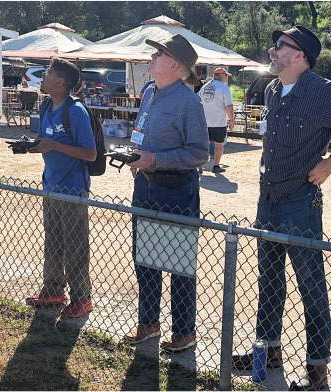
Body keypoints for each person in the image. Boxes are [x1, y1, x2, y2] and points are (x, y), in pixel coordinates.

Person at [232, 26, 331, 390]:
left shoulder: (321, 92)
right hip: (268, 198)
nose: (272, 50)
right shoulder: (271, 89)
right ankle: (268, 353)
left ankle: (316, 371)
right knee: (269, 281)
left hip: (300, 200)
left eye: (280, 46)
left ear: (300, 56)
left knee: (310, 284)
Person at [123, 34, 208, 352]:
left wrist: (156, 159)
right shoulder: (149, 94)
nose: (151, 58)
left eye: (158, 54)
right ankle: (149, 323)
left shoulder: (189, 102)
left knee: (177, 265)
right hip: (145, 185)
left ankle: (184, 331)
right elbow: (143, 133)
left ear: (174, 64)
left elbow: (200, 153)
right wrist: (137, 155)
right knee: (144, 260)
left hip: (175, 190)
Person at [26, 58, 97, 318]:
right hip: (51, 185)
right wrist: (32, 146)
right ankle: (53, 289)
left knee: (76, 245)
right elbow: (47, 140)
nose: (43, 76)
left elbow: (90, 154)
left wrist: (53, 146)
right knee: (53, 240)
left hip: (73, 189)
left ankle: (82, 297)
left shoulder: (76, 111)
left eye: (48, 73)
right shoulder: (46, 105)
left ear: (61, 82)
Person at [198, 67, 235, 173]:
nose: (227, 78)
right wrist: (232, 119)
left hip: (205, 121)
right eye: (226, 76)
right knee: (219, 144)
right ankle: (216, 166)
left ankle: (199, 165)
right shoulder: (224, 88)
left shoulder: (204, 87)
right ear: (221, 76)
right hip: (219, 122)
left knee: (204, 144)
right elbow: (229, 105)